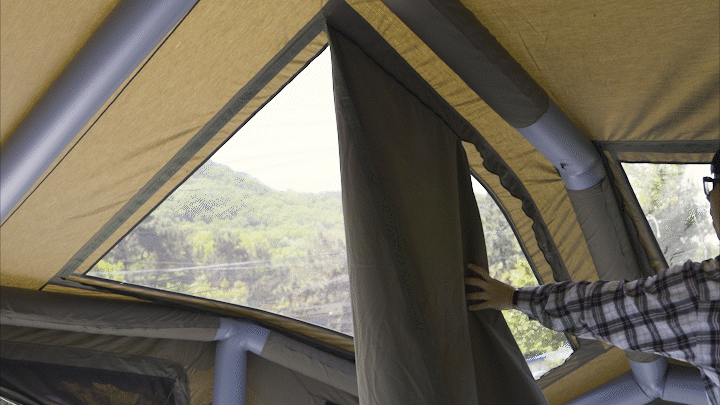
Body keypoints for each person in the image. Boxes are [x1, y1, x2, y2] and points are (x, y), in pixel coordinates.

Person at [466, 149, 720, 404]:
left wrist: (515, 298)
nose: (709, 198)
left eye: (713, 184)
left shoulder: (704, 292)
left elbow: (611, 309)